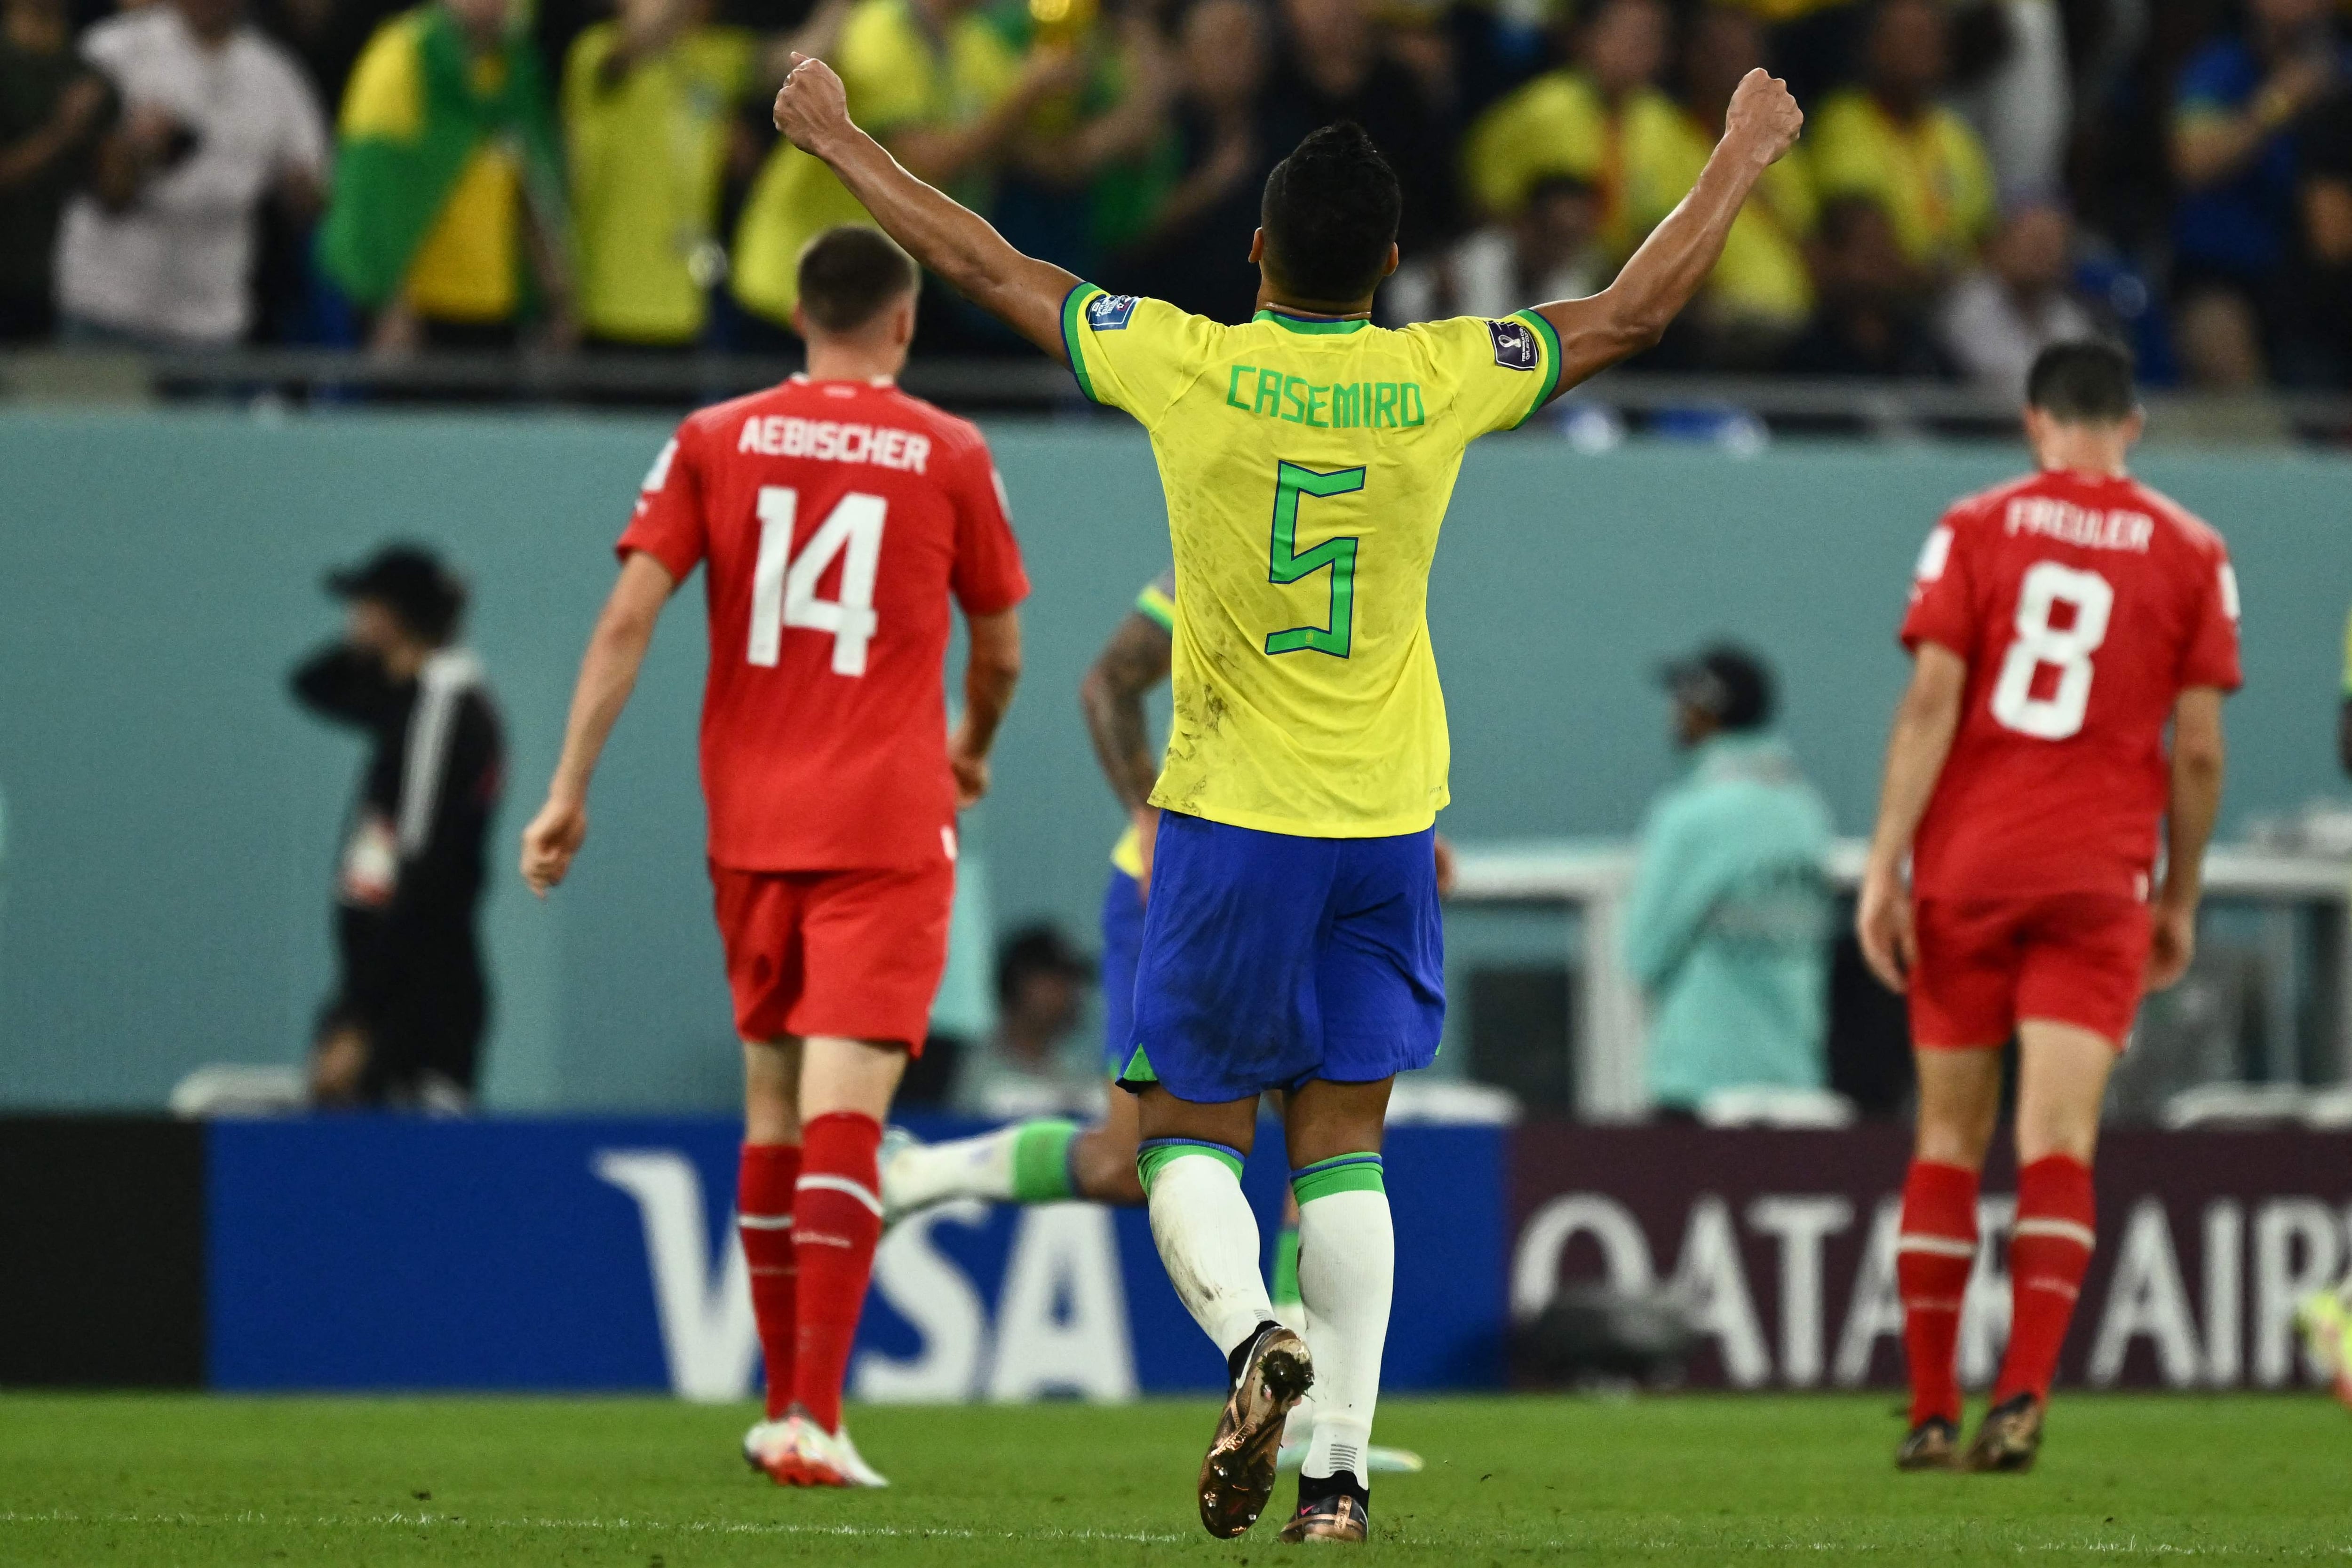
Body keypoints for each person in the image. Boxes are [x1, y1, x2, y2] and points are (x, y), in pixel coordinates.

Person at [771, 47, 1802, 1542]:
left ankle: (1255, 1335)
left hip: (1228, 819)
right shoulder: (1438, 370)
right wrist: (1741, 153)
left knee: (1186, 1138)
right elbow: (1633, 310)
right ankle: (1336, 1481)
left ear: (1255, 251)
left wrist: (842, 141)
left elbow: (986, 264)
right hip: (1386, 827)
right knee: (1347, 1147)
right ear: (1390, 267)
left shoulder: (1180, 357)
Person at [519, 225, 1028, 1489]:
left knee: (771, 1108)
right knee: (846, 1114)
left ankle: (781, 1406)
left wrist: (569, 789)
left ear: (799, 313)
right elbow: (1002, 646)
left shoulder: (712, 437)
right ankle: (815, 1415)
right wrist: (970, 745)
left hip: (750, 822)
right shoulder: (952, 451)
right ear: (904, 323)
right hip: (885, 825)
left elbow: (628, 615)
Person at [881, 564, 1433, 1477]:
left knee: (1325, 1131)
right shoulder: (1222, 545)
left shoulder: (1373, 547)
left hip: (1325, 858)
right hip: (1191, 882)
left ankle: (1299, 1399)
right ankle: (916, 1171)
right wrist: (1145, 811)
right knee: (1126, 1160)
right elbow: (1108, 682)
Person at [1856, 339, 2240, 1472]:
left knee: (1945, 1135)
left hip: (1969, 867)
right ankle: (2021, 1394)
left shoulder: (1973, 525)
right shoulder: (2193, 548)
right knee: (2057, 1140)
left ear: (2034, 421)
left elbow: (1930, 702)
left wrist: (1884, 866)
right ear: (2132, 426)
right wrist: (2179, 895)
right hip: (2099, 877)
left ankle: (1931, 1410)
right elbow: (2200, 751)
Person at [293, 545, 504, 1109]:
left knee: (419, 1152)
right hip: (382, 984)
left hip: (420, 997)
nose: (353, 619)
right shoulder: (406, 700)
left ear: (394, 615)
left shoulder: (444, 708)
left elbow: (423, 872)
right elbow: (311, 684)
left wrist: (360, 1018)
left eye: (366, 605)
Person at [725, 0, 1075, 334]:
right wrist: (1026, 96)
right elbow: (926, 162)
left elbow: (1041, 157)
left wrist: (1078, 109)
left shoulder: (977, 44)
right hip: (801, 276)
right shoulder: (878, 30)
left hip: (875, 284)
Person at [1623, 644, 1832, 1117]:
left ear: (1706, 711)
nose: (1674, 713)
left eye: (1683, 701)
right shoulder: (1806, 812)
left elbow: (1641, 952)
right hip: (1796, 1085)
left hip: (1699, 1086)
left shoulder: (1691, 816)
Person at [52, 0, 325, 347]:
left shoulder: (274, 72)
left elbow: (314, 191)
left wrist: (301, 191)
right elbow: (71, 161)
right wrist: (132, 150)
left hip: (210, 318)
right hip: (107, 304)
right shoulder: (115, 49)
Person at [319, 0, 573, 354]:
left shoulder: (517, 66)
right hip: (419, 312)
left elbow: (532, 185)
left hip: (499, 307)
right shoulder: (403, 55)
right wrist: (388, 298)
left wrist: (558, 296)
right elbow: (370, 185)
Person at [561, 0, 760, 350]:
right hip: (609, 301)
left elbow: (797, 60)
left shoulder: (712, 56)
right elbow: (644, 36)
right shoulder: (598, 52)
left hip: (689, 303)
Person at [2169, 0, 2348, 381]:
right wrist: (2280, 102)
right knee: (2219, 339)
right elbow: (2192, 160)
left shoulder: (2342, 69)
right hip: (2223, 275)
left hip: (2320, 284)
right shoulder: (2219, 67)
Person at [1461, 0, 1678, 261]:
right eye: (1624, 33)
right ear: (1585, 36)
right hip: (1537, 265)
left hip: (1628, 271)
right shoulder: (1540, 107)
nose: (1636, 48)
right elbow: (1481, 197)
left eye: (1650, 37)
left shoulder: (1668, 125)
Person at [1808, 0, 1994, 277]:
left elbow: (1985, 237)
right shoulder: (1846, 120)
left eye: (1926, 39)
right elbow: (1862, 242)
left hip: (1961, 288)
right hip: (1890, 291)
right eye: (1904, 38)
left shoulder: (1958, 135)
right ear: (1874, 48)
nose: (1916, 51)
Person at [0, 0, 113, 341]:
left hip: (61, 286)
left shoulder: (90, 76)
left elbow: (112, 193)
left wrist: (139, 150)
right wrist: (61, 133)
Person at [1935, 202, 2099, 401]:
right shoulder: (1968, 305)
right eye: (2033, 243)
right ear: (2002, 244)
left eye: (2052, 245)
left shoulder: (2067, 313)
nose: (2042, 255)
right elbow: (2002, 381)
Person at [953, 923, 1101, 1117]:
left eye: (1073, 982)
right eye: (1056, 980)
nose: (1071, 994)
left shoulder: (1078, 1071)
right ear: (1019, 984)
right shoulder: (980, 1070)